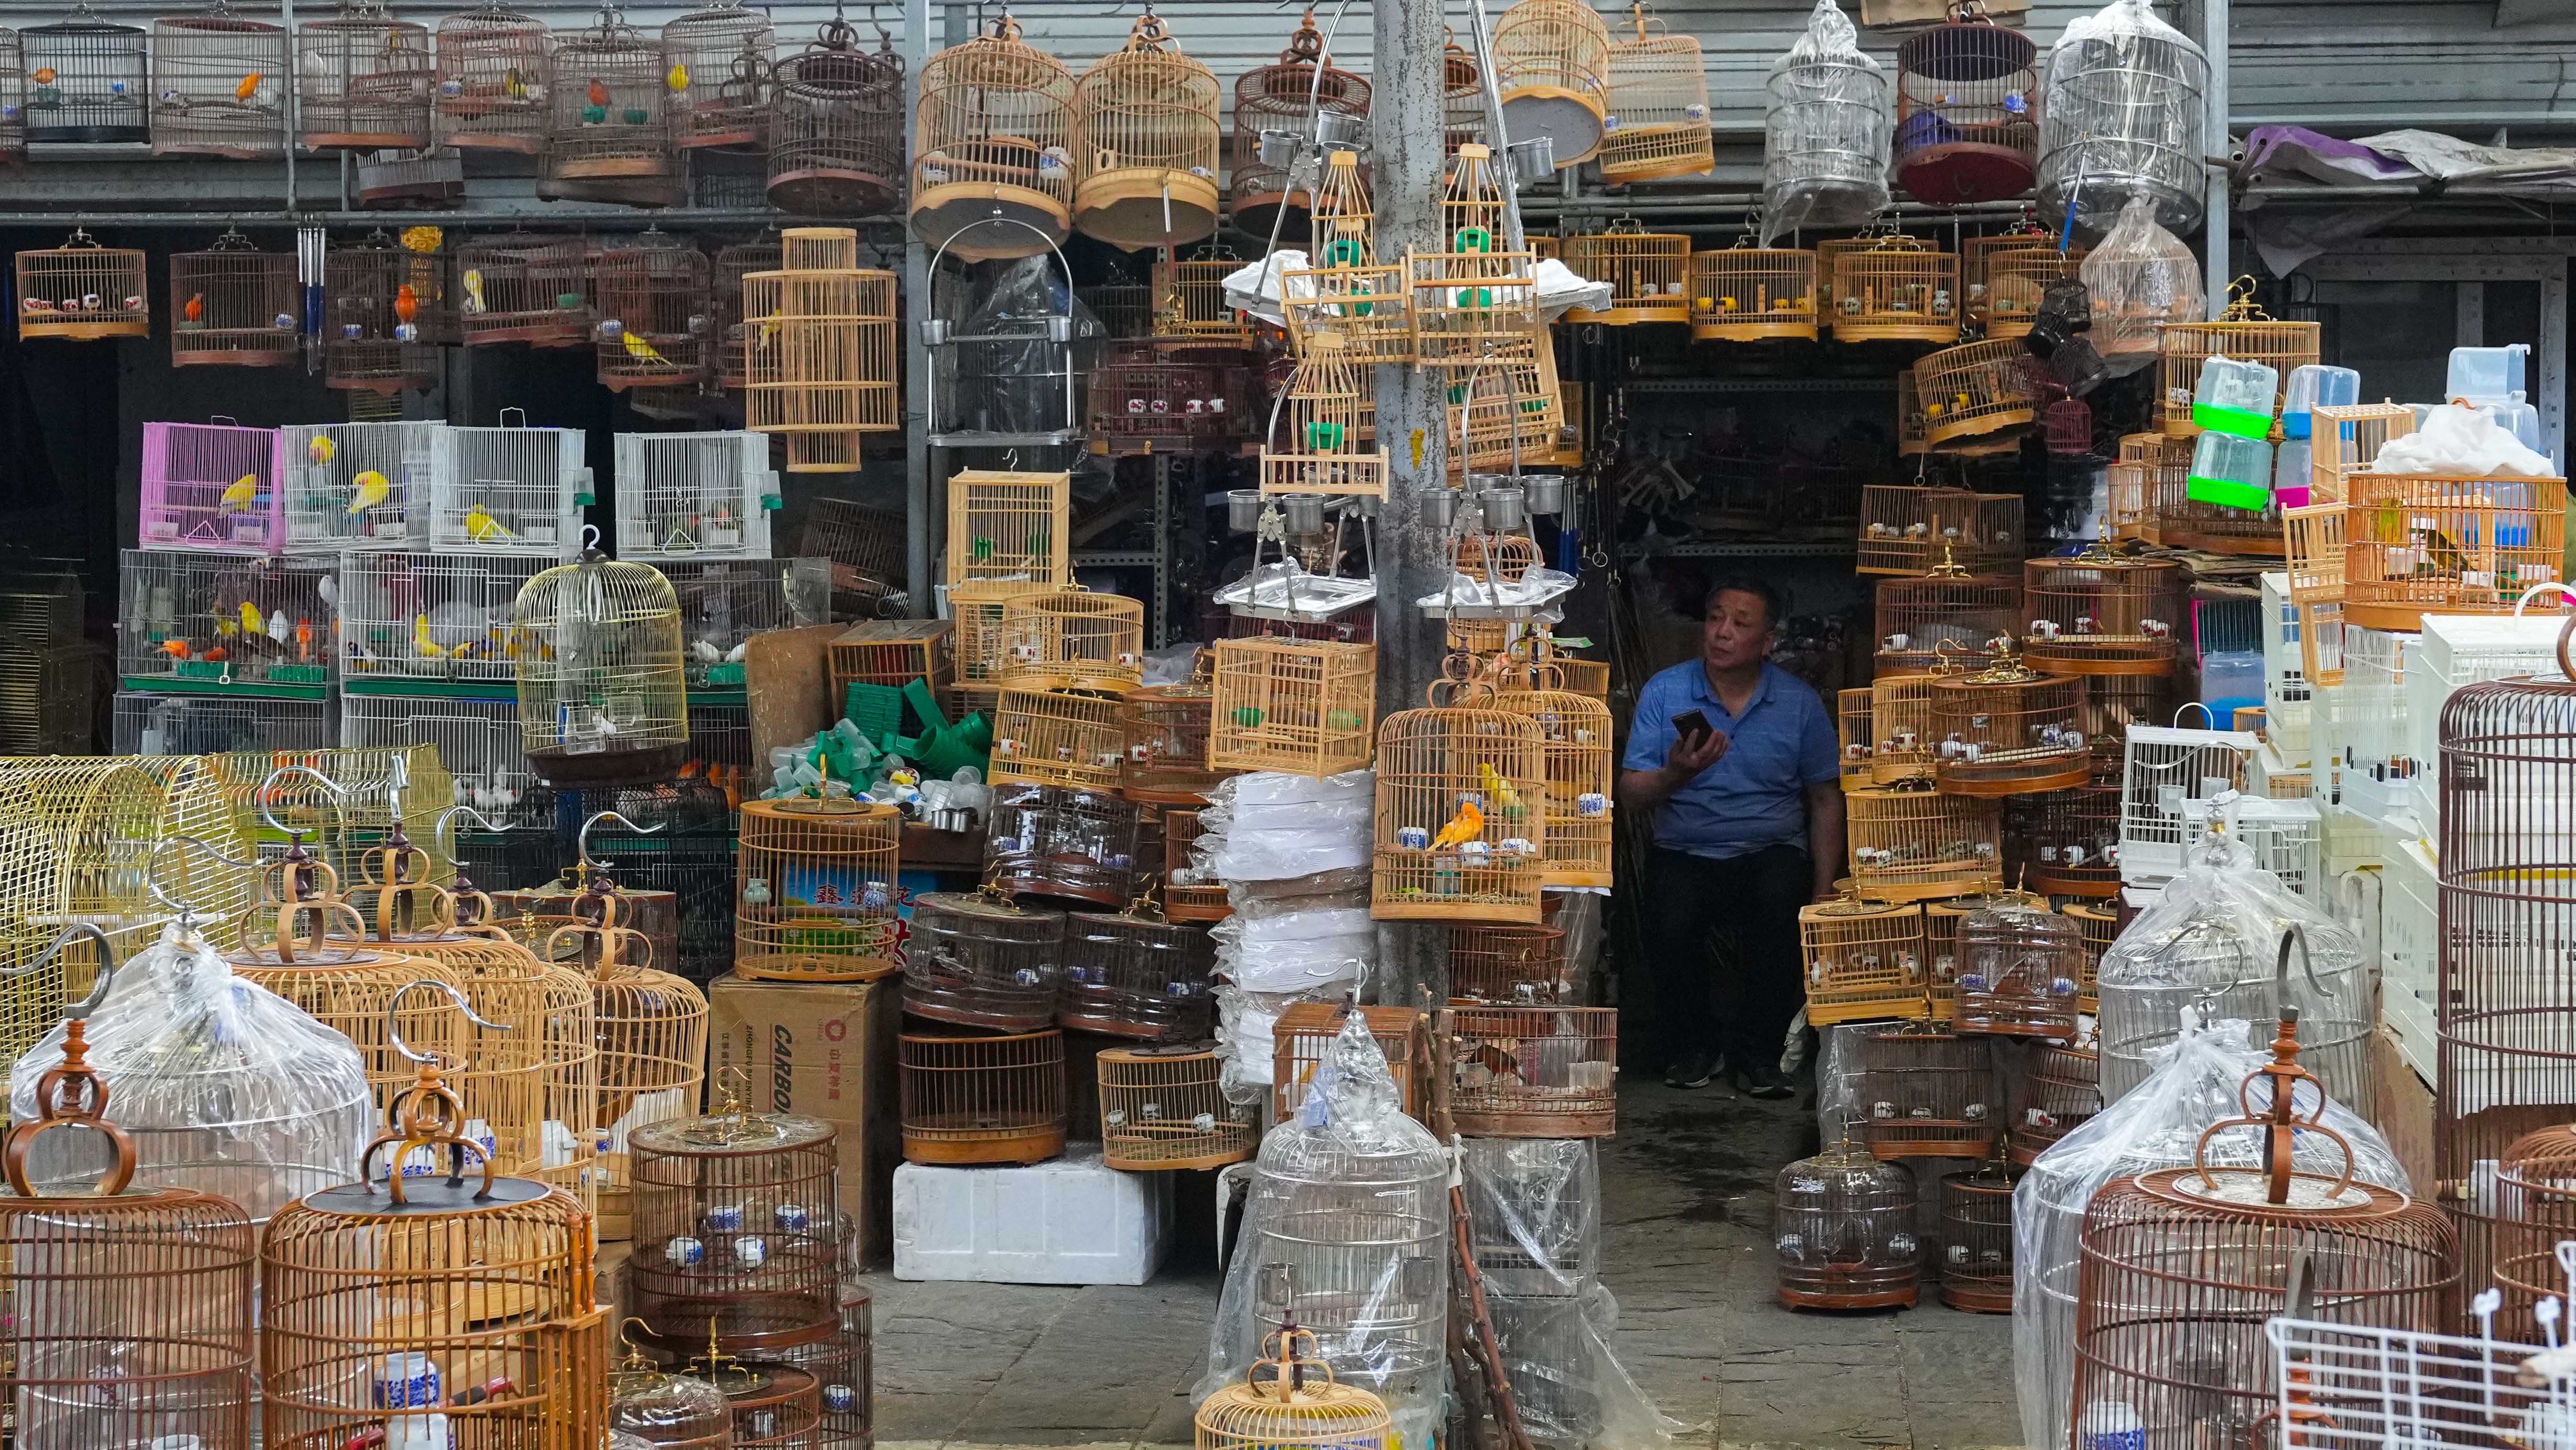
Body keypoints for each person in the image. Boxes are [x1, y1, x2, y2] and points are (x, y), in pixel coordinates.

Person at [1617, 576, 1845, 1098]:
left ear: (1767, 641)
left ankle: (1758, 1054)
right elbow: (1630, 793)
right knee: (1667, 920)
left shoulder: (1798, 703)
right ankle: (1694, 1045)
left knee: (1781, 910)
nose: (1721, 632)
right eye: (1715, 618)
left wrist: (1823, 886)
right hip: (1684, 848)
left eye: (1739, 624)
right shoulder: (1665, 690)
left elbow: (1824, 798)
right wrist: (1676, 773)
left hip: (1770, 850)